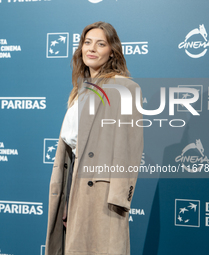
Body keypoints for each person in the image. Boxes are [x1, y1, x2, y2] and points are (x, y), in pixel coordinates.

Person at [45, 21, 143, 255]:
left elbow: (130, 146)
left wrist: (118, 200)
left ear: (112, 52)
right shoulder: (79, 90)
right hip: (74, 185)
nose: (91, 48)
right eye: (87, 43)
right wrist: (67, 200)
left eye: (100, 44)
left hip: (103, 197)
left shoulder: (125, 88)